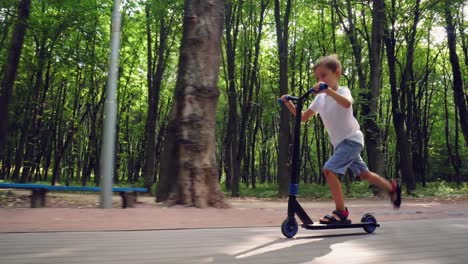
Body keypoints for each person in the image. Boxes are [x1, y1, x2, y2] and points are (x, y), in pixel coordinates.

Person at [280, 54, 401, 224]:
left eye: (323, 75)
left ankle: (341, 212)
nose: (320, 80)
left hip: (352, 140)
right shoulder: (320, 99)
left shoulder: (342, 91)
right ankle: (391, 188)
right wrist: (288, 104)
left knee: (329, 170)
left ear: (337, 72)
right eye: (318, 77)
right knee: (364, 174)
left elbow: (346, 104)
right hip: (341, 144)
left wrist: (327, 90)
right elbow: (303, 117)